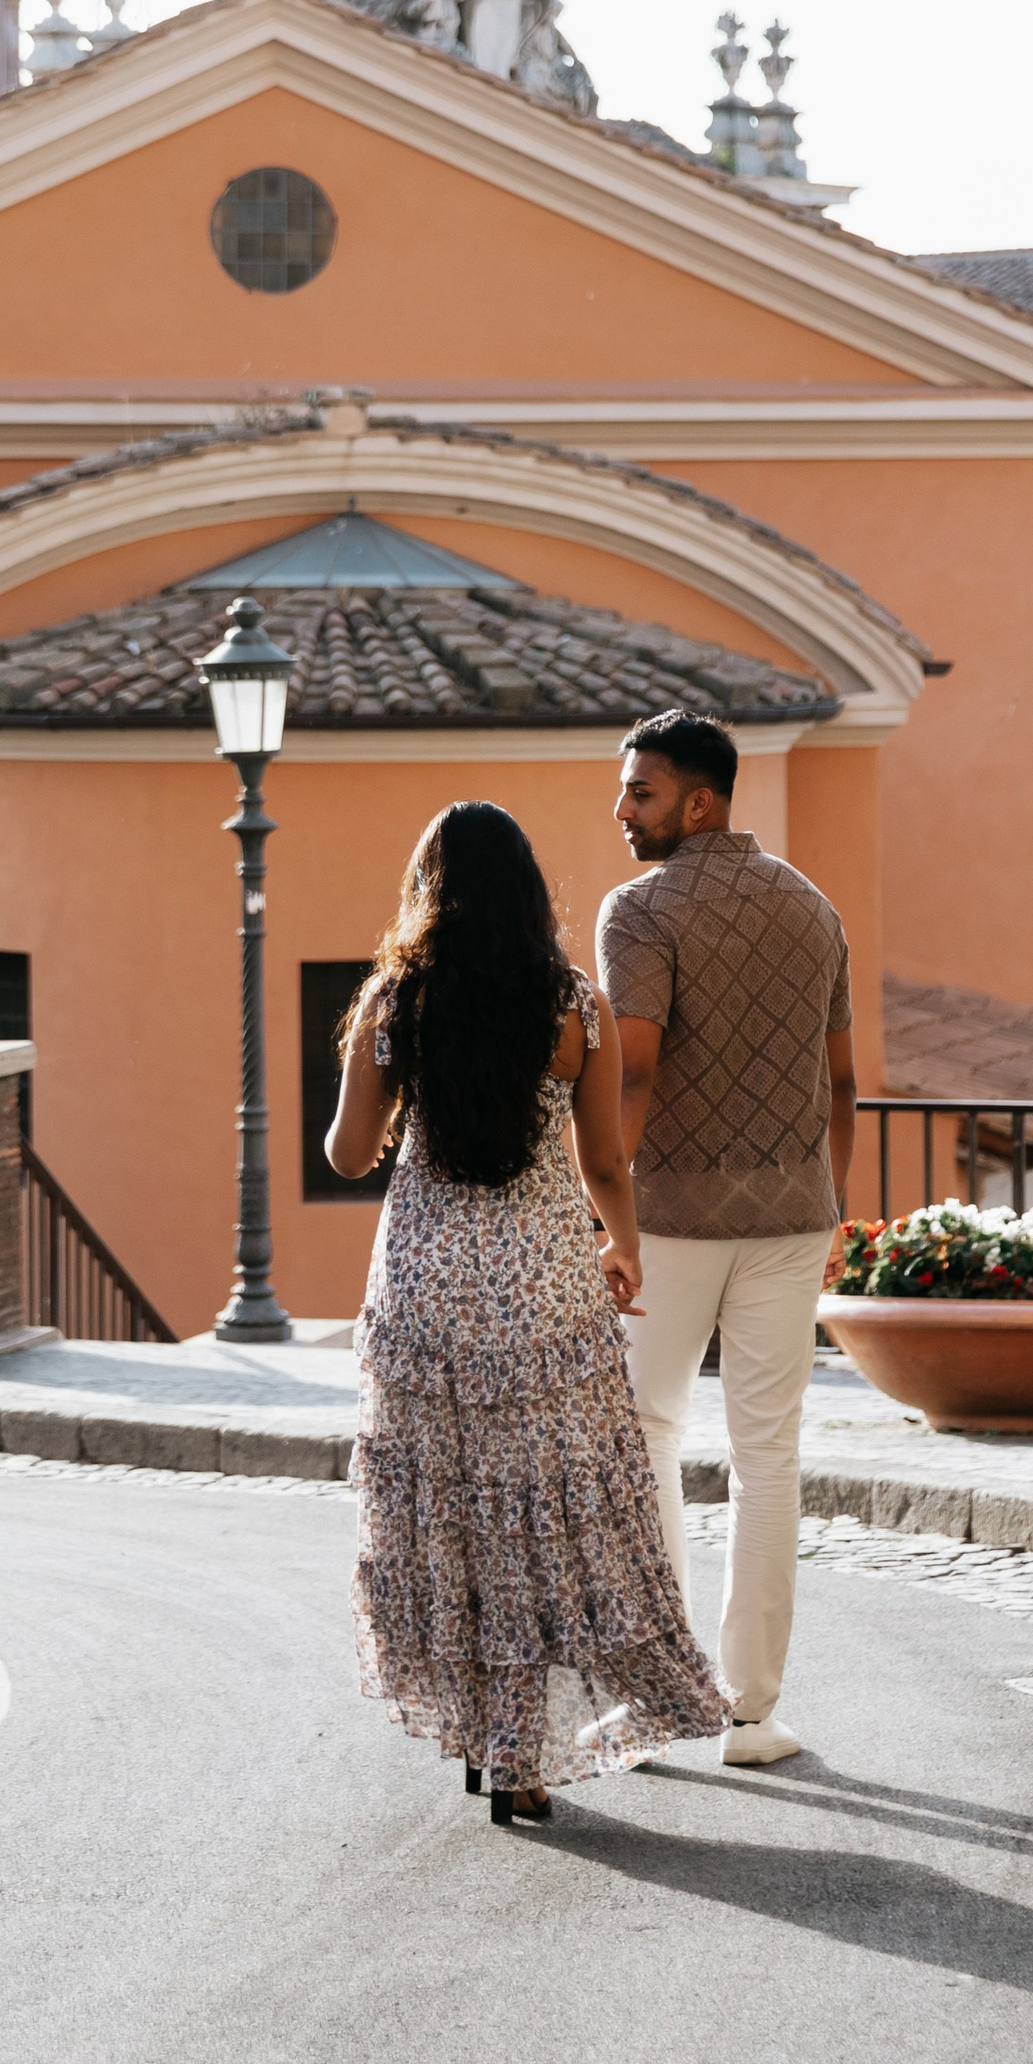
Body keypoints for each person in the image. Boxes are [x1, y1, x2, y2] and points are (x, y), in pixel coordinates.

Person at [332, 800, 731, 1821]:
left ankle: (486, 1737)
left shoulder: (395, 1003)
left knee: (454, 1517)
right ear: (526, 893)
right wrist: (623, 1246)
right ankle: (517, 1756)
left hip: (425, 1293)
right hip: (543, 1288)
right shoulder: (575, 1008)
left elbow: (347, 1152)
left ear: (429, 890)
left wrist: (381, 1083)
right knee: (535, 1517)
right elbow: (605, 1162)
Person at [596, 710, 854, 1768]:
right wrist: (833, 1208)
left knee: (644, 1435)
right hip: (794, 1214)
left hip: (670, 1218)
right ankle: (752, 1715)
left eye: (641, 792)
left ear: (698, 802)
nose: (621, 810)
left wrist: (604, 1214)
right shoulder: (813, 906)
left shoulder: (638, 911)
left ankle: (656, 1699)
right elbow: (844, 1083)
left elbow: (635, 1072)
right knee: (768, 1457)